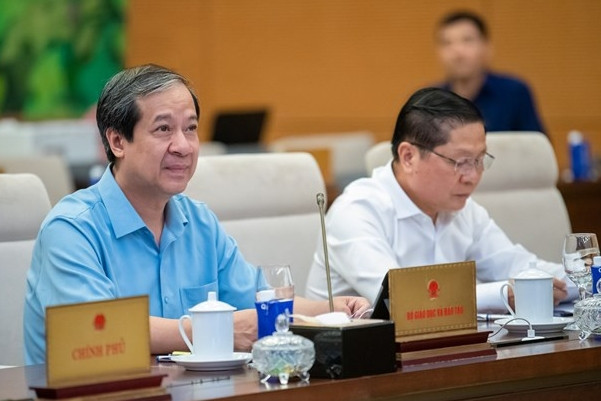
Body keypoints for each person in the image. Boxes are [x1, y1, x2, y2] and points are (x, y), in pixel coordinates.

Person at [23, 64, 369, 365]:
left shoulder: (199, 222)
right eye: (163, 129)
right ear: (117, 142)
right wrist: (217, 329)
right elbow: (98, 330)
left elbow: (262, 301)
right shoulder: (71, 230)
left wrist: (334, 308)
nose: (183, 146)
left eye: (190, 128)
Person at [305, 87, 574, 313]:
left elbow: (520, 266)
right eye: (461, 162)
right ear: (409, 157)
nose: (473, 176)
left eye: (480, 160)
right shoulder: (356, 211)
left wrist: (586, 276)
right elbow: (404, 299)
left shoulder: (463, 210)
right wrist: (504, 293)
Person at [437, 11, 545, 133]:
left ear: (486, 47)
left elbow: (535, 142)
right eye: (447, 43)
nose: (457, 52)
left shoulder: (514, 92)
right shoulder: (431, 101)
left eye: (467, 40)